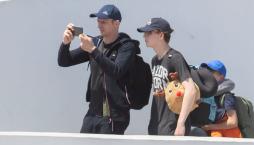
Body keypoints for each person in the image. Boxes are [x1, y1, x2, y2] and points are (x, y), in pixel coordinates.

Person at [57, 4, 139, 134]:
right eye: (98, 21)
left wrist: (93, 50)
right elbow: (64, 61)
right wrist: (65, 44)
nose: (99, 25)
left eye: (104, 22)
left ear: (116, 24)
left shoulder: (127, 46)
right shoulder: (96, 42)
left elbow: (116, 71)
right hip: (92, 113)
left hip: (113, 115)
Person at [137, 17, 196, 136]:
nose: (144, 36)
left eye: (149, 33)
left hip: (173, 126)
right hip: (156, 125)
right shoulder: (154, 60)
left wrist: (181, 124)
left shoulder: (175, 58)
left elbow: (191, 89)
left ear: (161, 35)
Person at [197, 60, 241, 138]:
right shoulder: (206, 95)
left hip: (229, 138)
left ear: (221, 77)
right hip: (214, 133)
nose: (207, 73)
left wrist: (209, 127)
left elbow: (233, 122)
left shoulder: (226, 96)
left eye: (211, 71)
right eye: (206, 70)